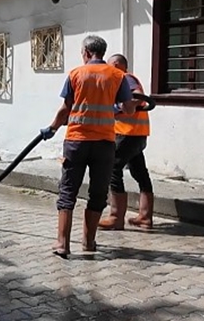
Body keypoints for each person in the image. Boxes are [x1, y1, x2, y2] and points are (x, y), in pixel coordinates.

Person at [40, 35, 138, 258]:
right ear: (102, 53)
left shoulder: (76, 74)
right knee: (97, 193)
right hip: (104, 144)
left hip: (77, 142)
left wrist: (52, 128)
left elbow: (66, 109)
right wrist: (118, 107)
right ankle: (89, 242)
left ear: (85, 52)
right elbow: (129, 109)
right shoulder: (117, 76)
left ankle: (62, 244)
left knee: (68, 191)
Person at [98, 54, 153, 230]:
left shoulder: (125, 78)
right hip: (136, 134)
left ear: (116, 64)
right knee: (140, 173)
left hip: (127, 134)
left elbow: (138, 98)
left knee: (113, 168)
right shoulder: (123, 79)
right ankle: (145, 217)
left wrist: (117, 108)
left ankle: (116, 217)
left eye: (109, 66)